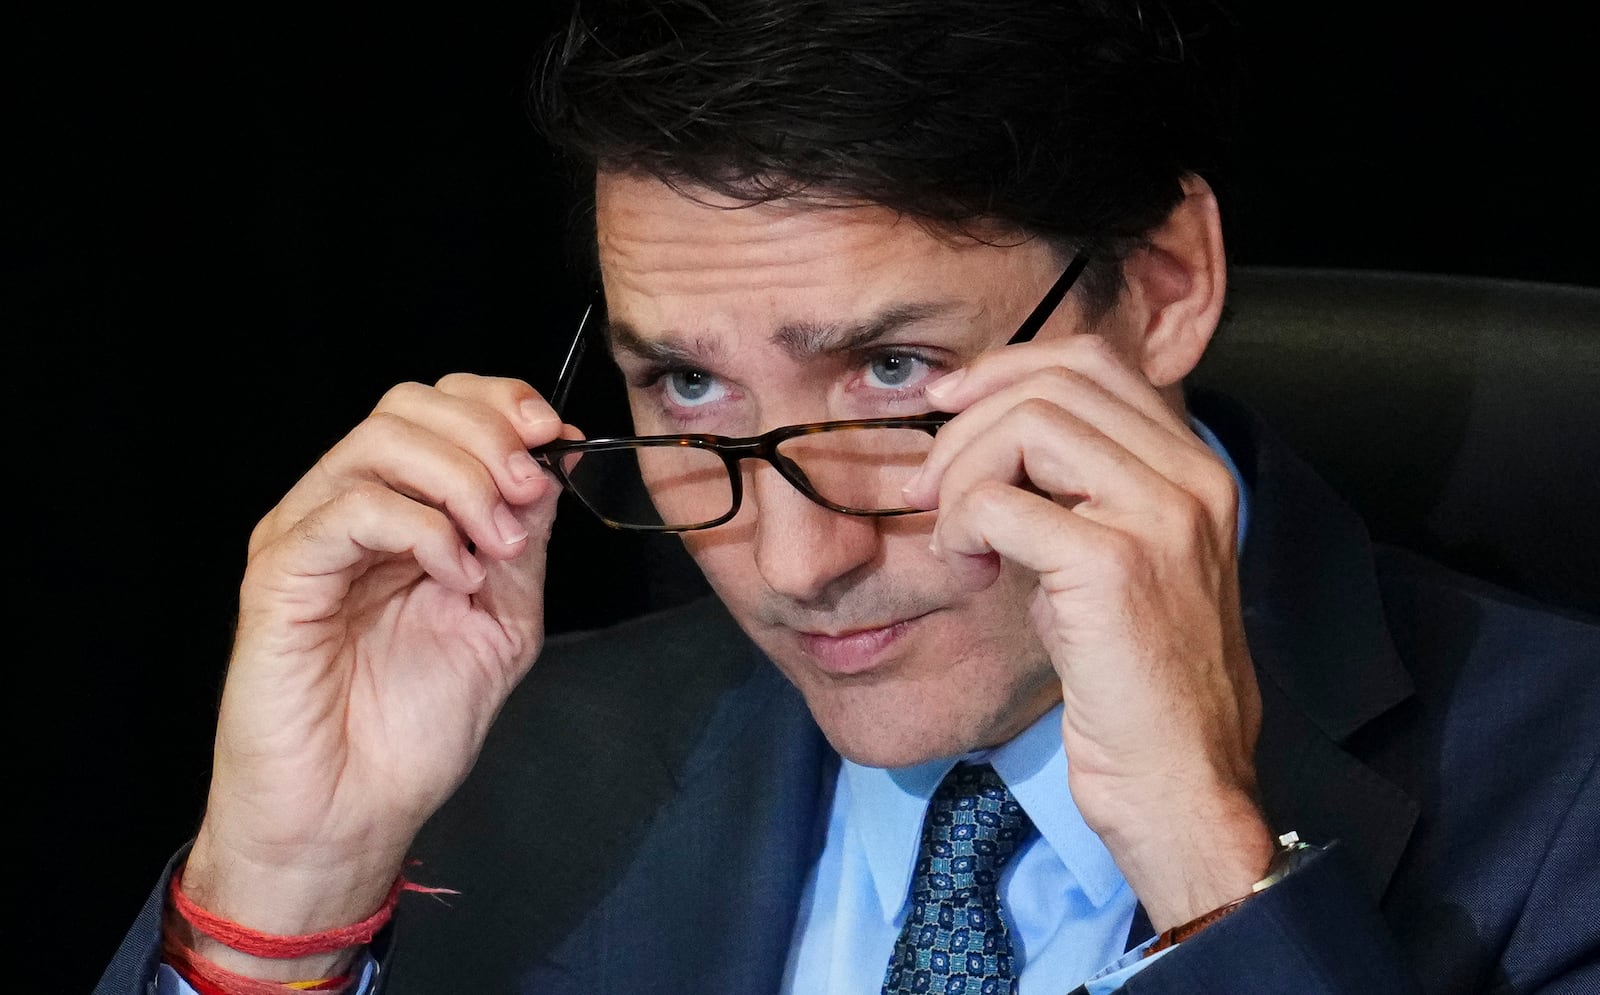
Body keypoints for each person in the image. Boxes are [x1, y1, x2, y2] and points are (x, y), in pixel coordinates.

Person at [95, 0, 1597, 992]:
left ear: (1161, 286)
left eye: (890, 370)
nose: (797, 562)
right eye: (686, 387)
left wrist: (1206, 865)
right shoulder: (495, 757)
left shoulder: (1571, 795)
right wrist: (282, 906)